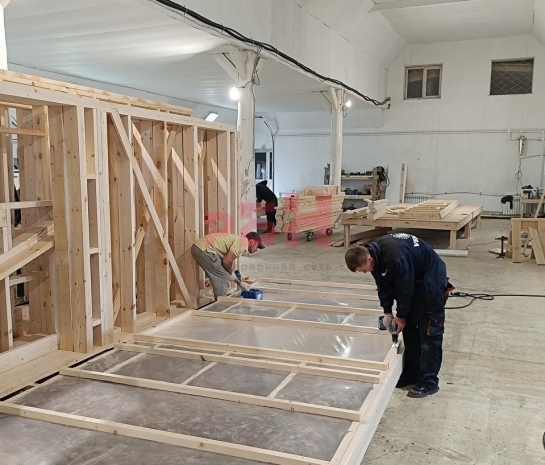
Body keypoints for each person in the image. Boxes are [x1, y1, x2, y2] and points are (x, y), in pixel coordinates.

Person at [344, 233, 452, 398]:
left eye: (362, 269)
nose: (363, 272)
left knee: (429, 336)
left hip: (431, 282)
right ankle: (412, 374)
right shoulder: (373, 253)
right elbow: (383, 285)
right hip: (413, 278)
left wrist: (401, 316)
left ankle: (429, 382)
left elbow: (405, 288)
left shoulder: (395, 258)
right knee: (409, 331)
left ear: (368, 259)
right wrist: (388, 312)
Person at [191, 232, 265, 300]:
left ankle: (220, 301)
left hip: (202, 248)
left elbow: (227, 263)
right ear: (252, 242)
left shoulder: (239, 242)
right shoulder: (242, 243)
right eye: (257, 246)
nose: (257, 249)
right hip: (204, 249)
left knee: (224, 273)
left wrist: (239, 283)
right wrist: (230, 273)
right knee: (223, 277)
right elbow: (226, 261)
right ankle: (221, 305)